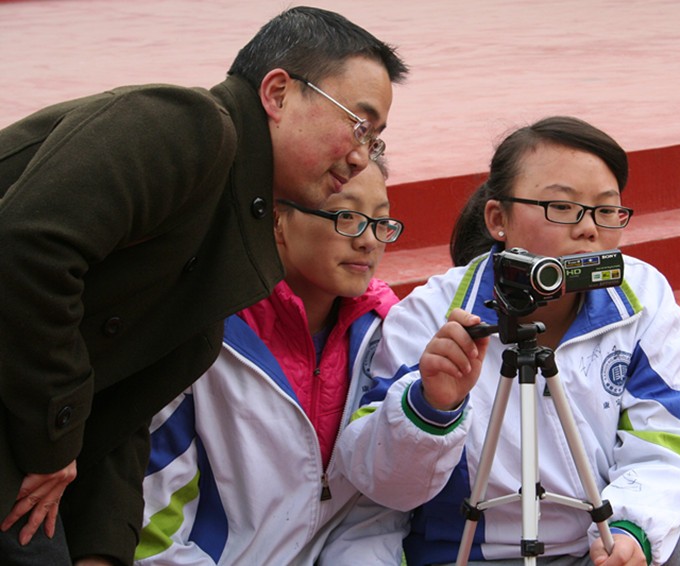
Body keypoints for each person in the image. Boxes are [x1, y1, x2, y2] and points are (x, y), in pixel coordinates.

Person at [0, 6, 408, 566]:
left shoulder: (235, 233)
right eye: (358, 125)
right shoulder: (189, 125)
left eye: (377, 140)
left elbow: (127, 394)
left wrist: (103, 550)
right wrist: (55, 440)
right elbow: (27, 247)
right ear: (278, 93)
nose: (361, 157)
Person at [336, 116, 680, 565]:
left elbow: (671, 442)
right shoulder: (429, 316)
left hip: (606, 544)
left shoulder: (642, 296)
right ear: (498, 219)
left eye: (606, 210)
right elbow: (382, 487)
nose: (589, 229)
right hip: (474, 556)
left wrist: (633, 528)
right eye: (562, 207)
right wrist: (430, 407)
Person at [133, 160, 407, 565]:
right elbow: (151, 532)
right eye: (346, 217)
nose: (368, 241)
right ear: (277, 219)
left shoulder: (386, 334)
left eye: (381, 221)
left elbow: (376, 515)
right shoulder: (200, 337)